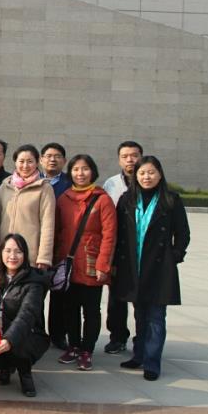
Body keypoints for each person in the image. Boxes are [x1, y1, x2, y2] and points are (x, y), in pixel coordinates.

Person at [113, 156, 190, 381]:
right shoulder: (127, 199)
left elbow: (183, 233)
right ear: (135, 176)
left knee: (156, 316)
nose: (146, 177)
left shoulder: (171, 199)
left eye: (151, 172)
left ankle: (152, 363)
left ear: (160, 174)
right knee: (140, 314)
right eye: (142, 173)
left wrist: (174, 256)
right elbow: (118, 233)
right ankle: (139, 355)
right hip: (133, 266)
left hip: (159, 267)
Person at [54, 154, 116, 371]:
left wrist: (103, 265)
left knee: (90, 310)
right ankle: (73, 346)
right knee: (70, 309)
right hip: (68, 263)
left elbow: (110, 235)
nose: (80, 173)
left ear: (93, 171)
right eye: (76, 169)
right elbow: (57, 231)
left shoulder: (102, 199)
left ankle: (87, 350)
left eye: (85, 169)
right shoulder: (64, 198)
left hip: (91, 263)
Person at [0, 234, 49, 397]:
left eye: (18, 251)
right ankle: (6, 366)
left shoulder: (34, 281)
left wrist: (9, 340)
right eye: (8, 250)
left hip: (29, 334)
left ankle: (25, 373)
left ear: (25, 255)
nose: (12, 256)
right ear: (1, 252)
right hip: (0, 331)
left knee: (20, 347)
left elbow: (27, 314)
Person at [101, 140, 143, 354]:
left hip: (142, 252)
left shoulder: (148, 181)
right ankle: (117, 337)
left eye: (134, 155)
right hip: (118, 250)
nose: (130, 160)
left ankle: (142, 339)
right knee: (116, 297)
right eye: (125, 156)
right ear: (119, 160)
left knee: (142, 300)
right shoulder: (111, 184)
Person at [0, 144, 55, 270]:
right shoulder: (5, 186)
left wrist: (44, 257)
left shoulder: (44, 188)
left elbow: (48, 225)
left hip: (30, 256)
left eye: (30, 161)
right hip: (5, 255)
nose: (25, 165)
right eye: (21, 161)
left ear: (37, 162)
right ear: (15, 162)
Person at [39, 142, 73, 350]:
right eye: (48, 156)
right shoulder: (32, 180)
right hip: (37, 246)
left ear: (64, 161)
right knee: (35, 293)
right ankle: (37, 333)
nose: (52, 160)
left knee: (60, 294)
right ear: (41, 160)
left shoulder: (71, 184)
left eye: (57, 156)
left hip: (62, 246)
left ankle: (58, 334)